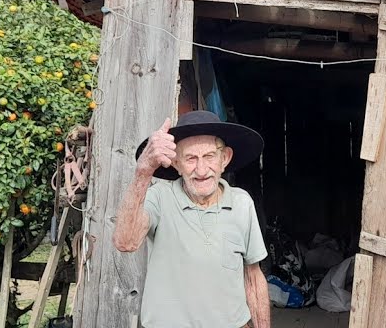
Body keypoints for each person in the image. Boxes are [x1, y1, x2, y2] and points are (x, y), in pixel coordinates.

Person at [114, 110, 271, 328]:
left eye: (209, 156)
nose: (201, 170)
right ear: (176, 163)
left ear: (224, 159)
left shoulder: (242, 203)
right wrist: (143, 172)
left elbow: (253, 277)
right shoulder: (159, 197)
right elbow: (126, 242)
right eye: (190, 158)